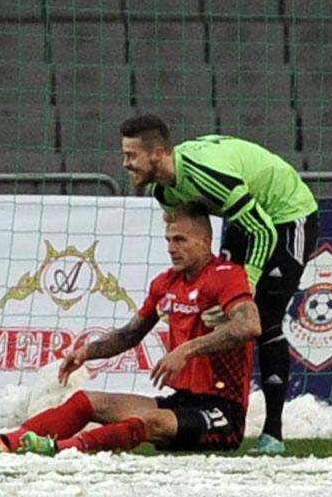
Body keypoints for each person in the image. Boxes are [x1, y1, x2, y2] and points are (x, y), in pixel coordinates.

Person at [0, 202, 261, 455]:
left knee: (150, 422)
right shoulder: (166, 283)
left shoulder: (226, 275)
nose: (171, 248)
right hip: (182, 401)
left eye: (180, 240)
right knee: (87, 401)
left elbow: (249, 324)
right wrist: (86, 353)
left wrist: (187, 349)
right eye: (168, 240)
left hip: (223, 412)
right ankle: (7, 441)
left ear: (205, 242)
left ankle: (60, 449)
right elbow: (130, 334)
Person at [118, 114, 319, 455]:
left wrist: (247, 286)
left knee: (263, 318)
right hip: (244, 219)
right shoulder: (163, 191)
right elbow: (200, 234)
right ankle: (208, 408)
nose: (125, 164)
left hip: (286, 216)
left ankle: (273, 432)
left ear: (157, 154)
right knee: (216, 310)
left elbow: (263, 231)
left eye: (131, 155)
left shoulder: (207, 177)